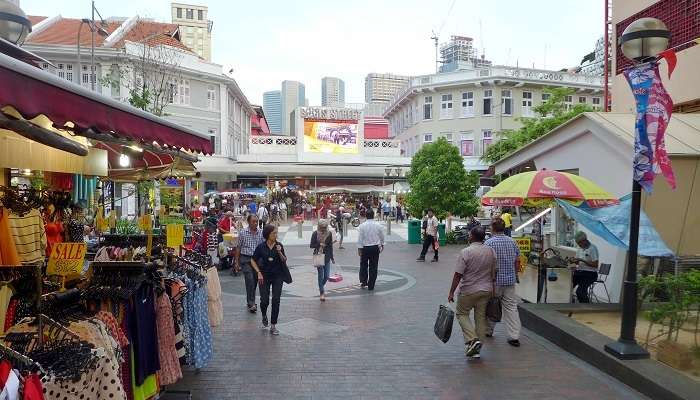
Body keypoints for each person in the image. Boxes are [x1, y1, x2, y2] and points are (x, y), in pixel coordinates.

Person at [448, 226, 497, 359]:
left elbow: (458, 274)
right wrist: (493, 288)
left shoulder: (466, 252)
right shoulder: (491, 251)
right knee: (480, 317)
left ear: (473, 237)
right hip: (486, 290)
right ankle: (476, 348)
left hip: (468, 290)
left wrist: (451, 292)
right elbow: (494, 272)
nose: (468, 236)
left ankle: (473, 339)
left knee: (462, 314)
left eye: (470, 234)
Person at [484, 218, 522, 347]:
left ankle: (488, 330)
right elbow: (517, 261)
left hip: (494, 281)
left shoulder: (489, 243)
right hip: (510, 280)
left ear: (493, 228)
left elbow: (485, 263)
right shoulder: (512, 242)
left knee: (491, 305)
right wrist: (514, 273)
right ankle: (514, 336)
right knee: (511, 308)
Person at [251, 224, 287, 335]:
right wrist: (258, 273)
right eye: (273, 233)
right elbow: (253, 260)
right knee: (264, 300)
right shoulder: (261, 247)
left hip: (277, 276)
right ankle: (264, 315)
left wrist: (280, 251)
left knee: (276, 299)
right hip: (264, 276)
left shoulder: (279, 245)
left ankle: (273, 325)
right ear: (268, 234)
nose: (275, 235)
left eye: (276, 233)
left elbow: (284, 260)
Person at [235, 215, 264, 313]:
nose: (255, 223)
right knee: (250, 279)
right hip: (246, 259)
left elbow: (264, 247)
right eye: (253, 222)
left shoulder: (261, 232)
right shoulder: (243, 233)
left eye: (257, 221)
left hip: (257, 260)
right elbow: (238, 247)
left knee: (254, 281)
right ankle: (252, 303)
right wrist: (236, 262)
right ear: (248, 222)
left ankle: (250, 300)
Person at [357, 209, 384, 290]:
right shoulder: (378, 225)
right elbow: (382, 236)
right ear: (373, 215)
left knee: (363, 265)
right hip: (375, 247)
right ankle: (371, 285)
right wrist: (382, 244)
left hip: (365, 248)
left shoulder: (362, 226)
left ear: (366, 215)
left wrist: (359, 248)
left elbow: (360, 238)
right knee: (374, 266)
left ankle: (363, 281)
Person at [571, 231, 599, 303]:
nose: (579, 245)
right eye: (577, 243)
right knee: (568, 287)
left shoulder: (593, 248)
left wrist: (582, 260)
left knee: (580, 292)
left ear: (584, 240)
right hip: (579, 273)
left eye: (579, 243)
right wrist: (574, 261)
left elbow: (595, 264)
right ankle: (569, 303)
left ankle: (586, 308)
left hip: (589, 274)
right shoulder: (579, 249)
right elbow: (577, 262)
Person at [310, 219, 335, 301]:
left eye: (325, 227)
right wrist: (319, 244)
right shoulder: (315, 234)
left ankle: (321, 286)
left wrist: (332, 257)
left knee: (326, 276)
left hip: (327, 256)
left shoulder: (329, 233)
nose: (323, 229)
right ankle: (322, 292)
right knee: (321, 275)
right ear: (319, 227)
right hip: (318, 255)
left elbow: (330, 245)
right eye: (322, 227)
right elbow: (311, 245)